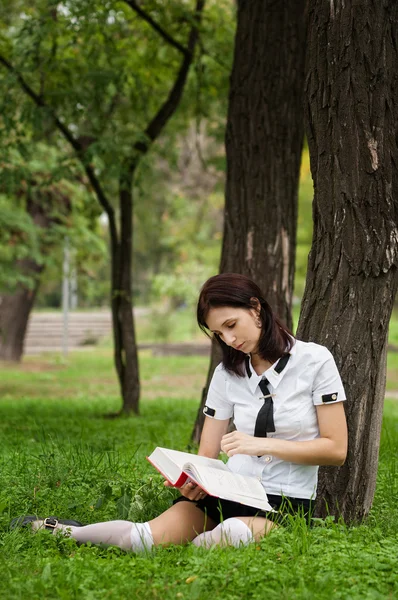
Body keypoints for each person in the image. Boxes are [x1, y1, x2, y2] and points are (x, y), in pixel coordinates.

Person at [12, 273, 348, 551]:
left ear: (256, 308)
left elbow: (336, 450)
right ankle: (64, 531)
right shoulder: (226, 374)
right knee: (143, 541)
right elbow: (207, 452)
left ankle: (206, 538)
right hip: (230, 491)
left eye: (232, 325)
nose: (229, 339)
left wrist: (263, 445)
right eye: (219, 333)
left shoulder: (314, 361)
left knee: (222, 540)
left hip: (281, 503)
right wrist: (194, 482)